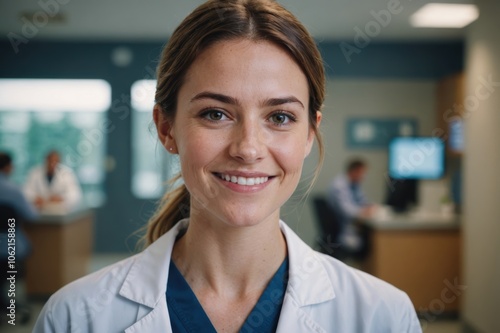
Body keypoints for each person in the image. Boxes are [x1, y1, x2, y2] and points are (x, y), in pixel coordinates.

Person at [33, 1, 421, 332]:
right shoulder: (74, 317)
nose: (248, 149)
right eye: (216, 113)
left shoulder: (383, 316)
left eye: (281, 117)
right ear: (166, 128)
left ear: (309, 135)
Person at [0, 152, 38, 324]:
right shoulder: (13, 190)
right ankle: (14, 307)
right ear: (8, 167)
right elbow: (31, 216)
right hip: (10, 246)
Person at [328, 158, 376, 253]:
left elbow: (362, 201)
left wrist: (368, 207)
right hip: (345, 232)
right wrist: (364, 211)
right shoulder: (339, 186)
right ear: (354, 171)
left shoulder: (354, 184)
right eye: (362, 173)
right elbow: (347, 212)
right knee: (372, 242)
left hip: (352, 227)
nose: (363, 176)